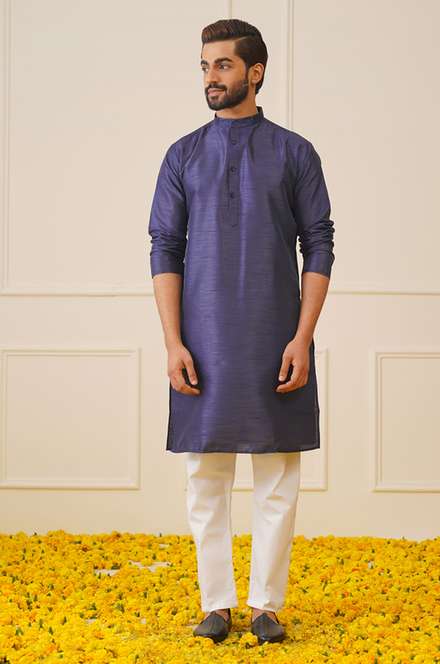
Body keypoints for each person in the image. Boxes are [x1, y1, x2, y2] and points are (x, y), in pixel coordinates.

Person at [148, 18, 335, 644]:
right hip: (201, 339)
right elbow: (165, 248)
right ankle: (216, 603)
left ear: (255, 72)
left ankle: (266, 606)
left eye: (223, 65)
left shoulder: (295, 152)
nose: (211, 77)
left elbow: (319, 244)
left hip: (275, 334)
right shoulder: (183, 155)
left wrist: (302, 338)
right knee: (206, 474)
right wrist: (173, 342)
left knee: (277, 476)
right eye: (205, 65)